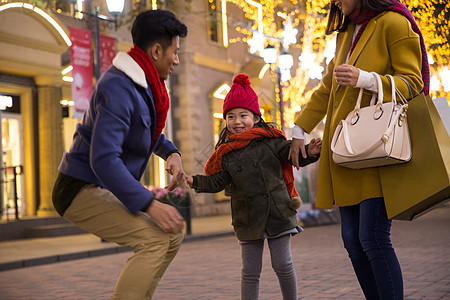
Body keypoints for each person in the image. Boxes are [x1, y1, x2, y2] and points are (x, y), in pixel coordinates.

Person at [289, 0, 430, 299]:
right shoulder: (347, 31)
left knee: (373, 237)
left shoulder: (394, 22)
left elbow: (414, 84)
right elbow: (329, 86)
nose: (334, 1)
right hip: (346, 149)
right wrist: (299, 129)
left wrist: (366, 79)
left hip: (379, 149)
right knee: (352, 240)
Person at [52, 10, 188, 299]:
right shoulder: (119, 86)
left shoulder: (143, 85)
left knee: (172, 234)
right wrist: (150, 204)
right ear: (156, 50)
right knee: (153, 240)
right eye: (174, 53)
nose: (176, 60)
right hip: (78, 187)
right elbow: (103, 159)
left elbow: (144, 131)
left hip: (99, 184)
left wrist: (171, 153)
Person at [186, 74, 322, 300]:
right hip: (247, 217)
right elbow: (217, 181)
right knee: (250, 272)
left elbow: (292, 154)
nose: (237, 121)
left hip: (277, 212)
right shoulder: (226, 152)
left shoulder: (271, 142)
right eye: (230, 116)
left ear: (256, 118)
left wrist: (310, 152)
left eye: (243, 115)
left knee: (283, 264)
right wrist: (194, 181)